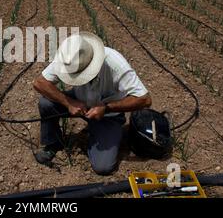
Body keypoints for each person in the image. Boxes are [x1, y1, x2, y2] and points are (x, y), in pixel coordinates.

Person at [33, 32, 152, 175]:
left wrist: (107, 108)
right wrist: (69, 103)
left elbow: (145, 99)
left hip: (108, 115)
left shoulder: (114, 63)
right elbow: (39, 83)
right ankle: (53, 143)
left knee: (103, 167)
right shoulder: (68, 58)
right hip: (80, 101)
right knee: (46, 103)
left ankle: (100, 134)